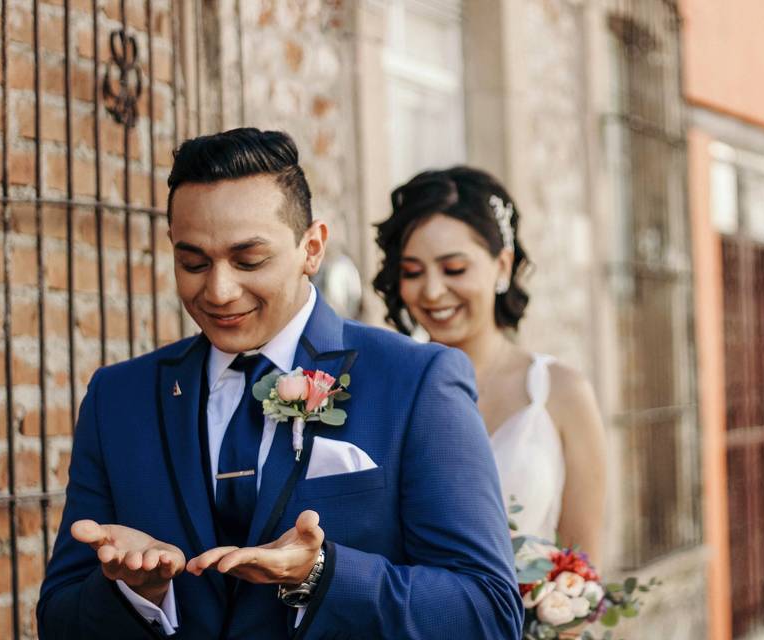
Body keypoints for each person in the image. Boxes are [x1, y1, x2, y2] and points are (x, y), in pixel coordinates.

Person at [37, 129, 522, 639]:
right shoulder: (118, 398)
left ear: (311, 248)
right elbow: (59, 621)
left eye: (249, 260)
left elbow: (486, 613)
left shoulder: (417, 381)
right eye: (193, 263)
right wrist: (136, 591)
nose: (219, 291)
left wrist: (321, 574)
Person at [373, 167, 607, 565]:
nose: (431, 291)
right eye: (412, 272)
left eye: (454, 269)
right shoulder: (381, 391)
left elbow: (582, 572)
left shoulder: (563, 392)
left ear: (501, 265)